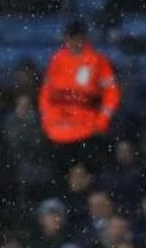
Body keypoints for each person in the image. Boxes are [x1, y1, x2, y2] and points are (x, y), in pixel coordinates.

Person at [38, 20, 118, 164]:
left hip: (86, 131)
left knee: (84, 173)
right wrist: (47, 119)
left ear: (84, 38)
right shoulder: (57, 59)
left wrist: (102, 120)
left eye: (76, 38)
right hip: (58, 131)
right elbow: (46, 93)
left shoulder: (97, 61)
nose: (73, 42)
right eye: (69, 38)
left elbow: (111, 94)